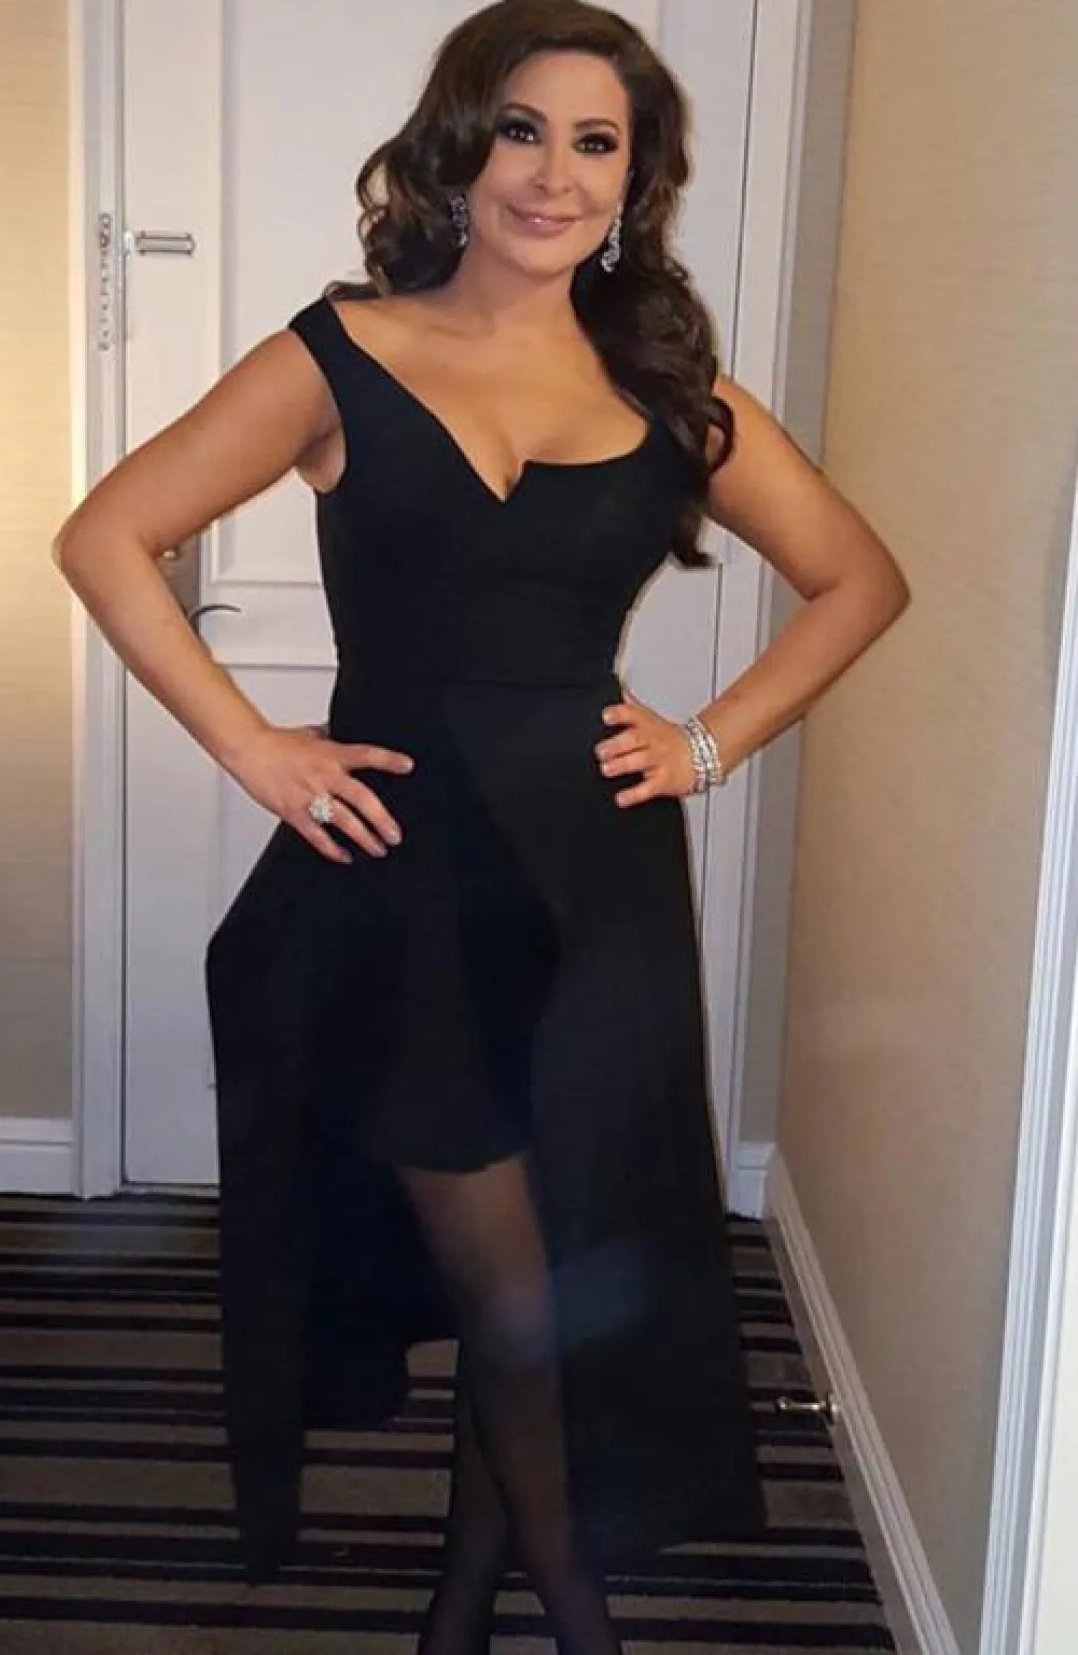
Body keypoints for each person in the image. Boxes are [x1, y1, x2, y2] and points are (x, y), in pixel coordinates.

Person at [54, 2, 909, 1649]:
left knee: (553, 1257)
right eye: (525, 129)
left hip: (597, 886)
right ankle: (579, 1609)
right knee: (516, 1299)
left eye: (599, 144)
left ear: (635, 182)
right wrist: (255, 747)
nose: (555, 174)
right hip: (404, 888)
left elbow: (858, 579)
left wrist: (707, 741)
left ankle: (460, 1596)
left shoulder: (667, 391)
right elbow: (107, 536)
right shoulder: (337, 355)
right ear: (462, 146)